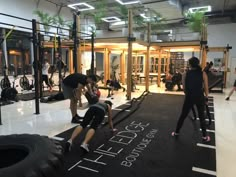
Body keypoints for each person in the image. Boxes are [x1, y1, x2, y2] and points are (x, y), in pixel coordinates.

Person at [171, 57, 210, 142]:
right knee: (202, 117)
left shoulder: (185, 74)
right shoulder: (203, 73)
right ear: (198, 63)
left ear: (190, 64)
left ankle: (176, 132)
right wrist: (206, 98)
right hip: (200, 97)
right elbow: (206, 88)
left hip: (189, 97)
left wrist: (189, 95)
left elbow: (184, 89)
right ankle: (204, 137)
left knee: (183, 115)